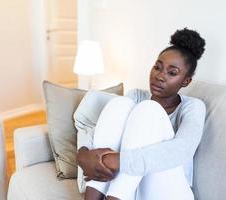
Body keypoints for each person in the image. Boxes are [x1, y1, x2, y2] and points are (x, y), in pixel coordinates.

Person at [75, 27, 206, 200]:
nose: (160, 76)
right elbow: (99, 131)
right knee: (120, 103)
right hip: (133, 189)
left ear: (186, 81)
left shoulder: (193, 107)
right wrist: (83, 155)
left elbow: (181, 151)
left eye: (172, 73)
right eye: (157, 67)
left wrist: (117, 160)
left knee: (149, 109)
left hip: (168, 190)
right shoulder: (135, 96)